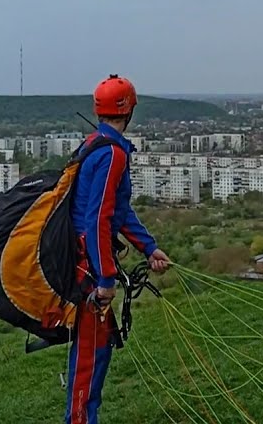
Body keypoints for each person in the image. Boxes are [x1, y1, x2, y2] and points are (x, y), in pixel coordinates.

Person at [68, 74, 171, 424]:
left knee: (98, 353)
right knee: (89, 360)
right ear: (127, 111)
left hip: (88, 264)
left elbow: (118, 212)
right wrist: (106, 278)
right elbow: (98, 218)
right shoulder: (111, 154)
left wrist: (149, 247)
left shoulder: (95, 144)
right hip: (89, 272)